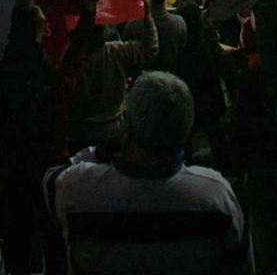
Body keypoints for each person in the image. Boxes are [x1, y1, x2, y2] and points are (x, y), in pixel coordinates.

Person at [45, 72, 249, 275]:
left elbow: (52, 177)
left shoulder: (76, 188)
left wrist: (102, 149)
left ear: (128, 129)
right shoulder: (216, 194)